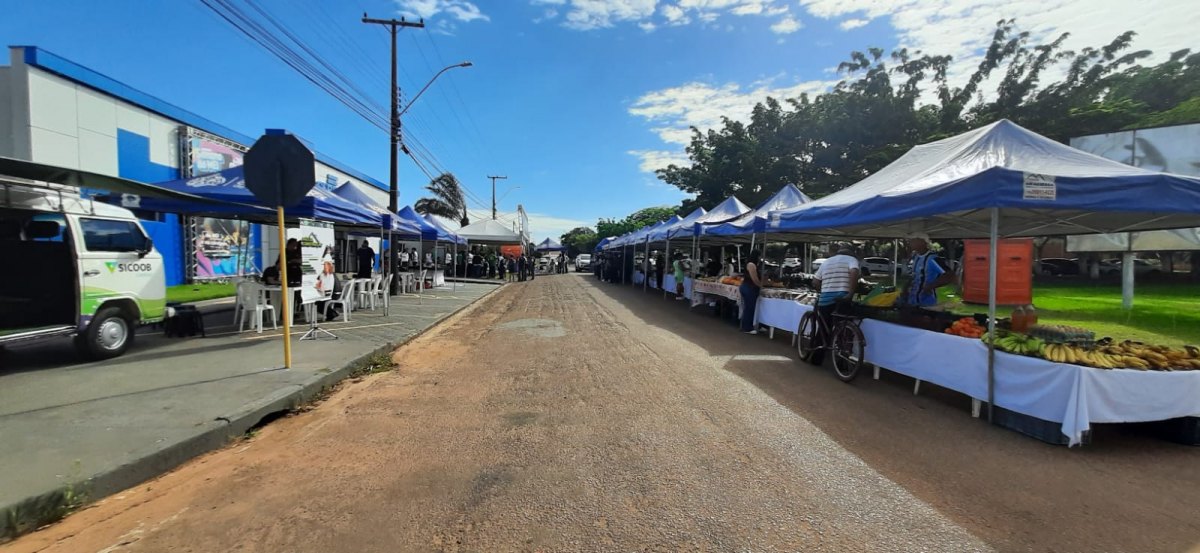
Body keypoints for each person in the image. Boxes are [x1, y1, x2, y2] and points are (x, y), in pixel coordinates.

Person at [811, 245, 861, 364]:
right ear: (851, 253)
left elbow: (815, 281)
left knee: (823, 328)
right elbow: (854, 272)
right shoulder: (852, 260)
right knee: (843, 329)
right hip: (842, 299)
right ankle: (842, 360)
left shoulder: (826, 262)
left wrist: (822, 291)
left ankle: (817, 359)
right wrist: (850, 293)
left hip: (825, 300)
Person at [903, 232, 954, 307]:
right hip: (912, 301)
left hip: (927, 302)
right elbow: (914, 275)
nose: (910, 243)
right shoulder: (915, 256)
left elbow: (950, 275)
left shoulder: (932, 259)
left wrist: (930, 286)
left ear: (922, 242)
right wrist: (905, 290)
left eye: (913, 240)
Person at [739, 250, 764, 334]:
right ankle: (746, 327)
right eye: (759, 256)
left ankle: (755, 325)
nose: (760, 258)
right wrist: (761, 286)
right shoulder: (751, 265)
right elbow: (754, 279)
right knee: (749, 307)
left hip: (750, 287)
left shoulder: (754, 264)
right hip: (749, 288)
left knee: (752, 307)